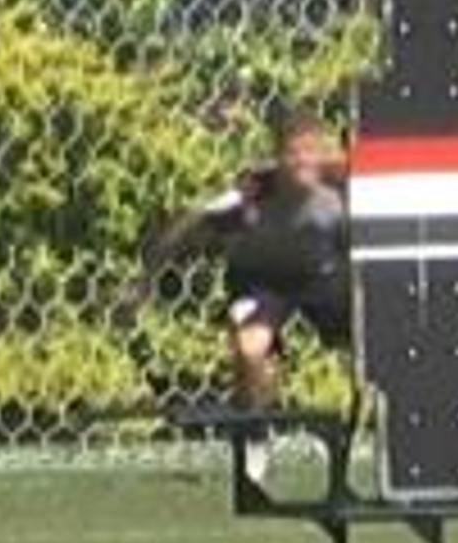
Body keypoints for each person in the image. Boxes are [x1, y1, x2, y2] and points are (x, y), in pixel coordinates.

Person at [140, 109, 350, 410]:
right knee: (249, 349)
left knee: (365, 336)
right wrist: (147, 278)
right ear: (278, 157)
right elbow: (195, 219)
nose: (304, 161)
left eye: (312, 152)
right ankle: (255, 422)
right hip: (266, 282)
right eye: (294, 153)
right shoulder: (254, 191)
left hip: (321, 278)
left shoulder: (342, 180)